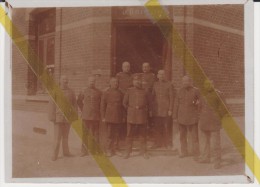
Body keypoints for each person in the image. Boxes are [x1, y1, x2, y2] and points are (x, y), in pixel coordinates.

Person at [197, 79, 226, 169]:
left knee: (215, 143)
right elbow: (199, 106)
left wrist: (217, 117)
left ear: (213, 84)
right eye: (206, 84)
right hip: (204, 121)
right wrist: (200, 116)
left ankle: (217, 161)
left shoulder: (219, 94)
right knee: (204, 142)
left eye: (210, 84)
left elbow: (224, 108)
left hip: (214, 122)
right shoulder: (202, 94)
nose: (208, 86)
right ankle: (205, 158)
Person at [48, 75, 77, 161]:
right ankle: (54, 154)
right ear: (60, 81)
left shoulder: (71, 92)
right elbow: (51, 105)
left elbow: (74, 105)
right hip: (58, 118)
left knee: (65, 137)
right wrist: (52, 117)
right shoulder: (55, 91)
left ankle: (66, 152)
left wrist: (74, 116)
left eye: (66, 79)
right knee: (57, 137)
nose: (65, 81)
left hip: (67, 118)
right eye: (63, 79)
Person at [123, 74, 151, 159]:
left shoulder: (145, 91)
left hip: (141, 116)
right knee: (129, 134)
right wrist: (130, 109)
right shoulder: (129, 91)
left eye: (138, 80)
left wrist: (144, 110)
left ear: (140, 81)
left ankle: (143, 152)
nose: (137, 82)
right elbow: (124, 103)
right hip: (131, 116)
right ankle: (127, 152)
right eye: (135, 80)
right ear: (133, 82)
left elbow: (149, 103)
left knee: (142, 135)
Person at [173, 75, 200, 159]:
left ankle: (196, 153)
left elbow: (200, 103)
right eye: (184, 81)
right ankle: (184, 152)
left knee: (194, 136)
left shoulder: (195, 91)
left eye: (187, 81)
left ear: (190, 82)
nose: (185, 83)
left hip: (192, 117)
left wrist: (198, 114)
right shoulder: (179, 91)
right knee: (182, 136)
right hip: (181, 117)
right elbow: (176, 104)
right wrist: (175, 116)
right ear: (182, 82)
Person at [101, 77, 124, 157]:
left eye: (117, 82)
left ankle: (116, 149)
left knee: (117, 134)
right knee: (110, 134)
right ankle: (108, 150)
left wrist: (123, 116)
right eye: (113, 82)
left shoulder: (121, 93)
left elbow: (123, 106)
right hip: (109, 116)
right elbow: (103, 105)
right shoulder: (106, 92)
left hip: (118, 116)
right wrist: (103, 116)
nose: (115, 83)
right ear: (110, 83)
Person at [151, 70, 174, 149]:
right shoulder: (155, 84)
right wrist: (152, 108)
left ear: (165, 76)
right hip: (157, 110)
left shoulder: (169, 84)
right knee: (157, 127)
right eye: (160, 74)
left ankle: (167, 143)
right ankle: (157, 143)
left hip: (166, 110)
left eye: (163, 74)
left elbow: (171, 98)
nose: (161, 76)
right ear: (157, 76)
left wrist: (170, 109)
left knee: (166, 127)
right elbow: (152, 97)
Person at [80, 76, 102, 157]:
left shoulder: (99, 92)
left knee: (96, 133)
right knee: (85, 133)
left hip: (95, 116)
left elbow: (101, 104)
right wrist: (84, 110)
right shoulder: (83, 91)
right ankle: (83, 150)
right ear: (87, 82)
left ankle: (95, 150)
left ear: (95, 82)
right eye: (90, 81)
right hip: (86, 116)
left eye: (93, 81)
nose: (92, 83)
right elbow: (79, 101)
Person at [116, 61, 133, 142]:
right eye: (125, 67)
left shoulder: (132, 76)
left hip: (129, 99)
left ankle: (129, 136)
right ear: (122, 67)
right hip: (121, 98)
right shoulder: (118, 75)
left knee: (129, 117)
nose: (127, 68)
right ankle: (121, 137)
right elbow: (116, 86)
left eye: (128, 66)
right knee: (121, 118)